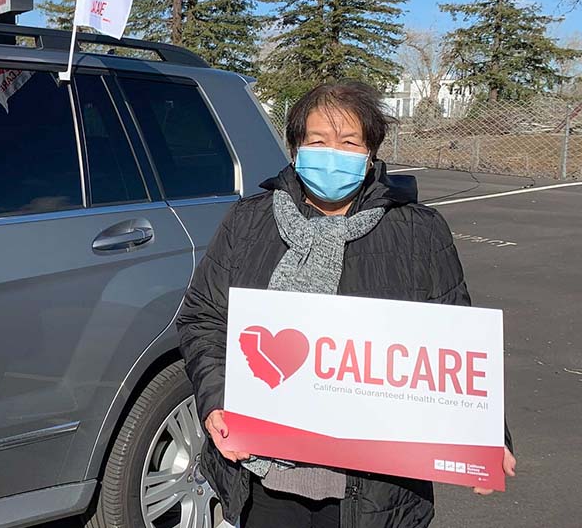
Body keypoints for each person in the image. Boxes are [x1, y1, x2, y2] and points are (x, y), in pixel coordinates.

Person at [176, 81, 517, 528]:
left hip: (375, 485)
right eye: (318, 141)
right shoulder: (249, 222)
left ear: (370, 153)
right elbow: (204, 317)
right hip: (264, 474)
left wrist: (485, 437)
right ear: (295, 148)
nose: (331, 154)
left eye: (349, 142)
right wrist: (216, 399)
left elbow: (455, 344)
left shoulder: (418, 231)